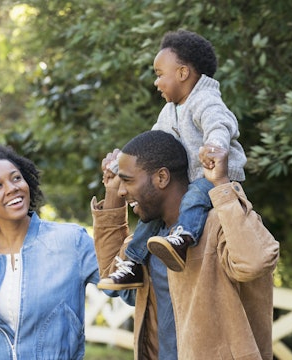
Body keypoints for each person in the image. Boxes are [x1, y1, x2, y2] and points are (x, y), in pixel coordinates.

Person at [91, 130, 279, 359]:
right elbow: (112, 279)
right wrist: (111, 192)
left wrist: (221, 184)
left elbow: (256, 262)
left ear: (161, 178)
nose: (122, 191)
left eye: (127, 181)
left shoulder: (221, 224)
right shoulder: (149, 241)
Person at [98, 29, 247, 290]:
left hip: (212, 177)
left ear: (182, 73)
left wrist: (215, 145)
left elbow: (220, 123)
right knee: (150, 220)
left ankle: (182, 239)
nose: (156, 82)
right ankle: (133, 264)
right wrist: (121, 162)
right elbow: (152, 143)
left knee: (191, 200)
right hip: (193, 177)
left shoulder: (205, 99)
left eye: (159, 74)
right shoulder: (170, 111)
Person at [0, 141, 133, 360]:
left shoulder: (70, 241)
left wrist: (113, 192)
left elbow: (125, 285)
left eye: (16, 178)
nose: (12, 188)